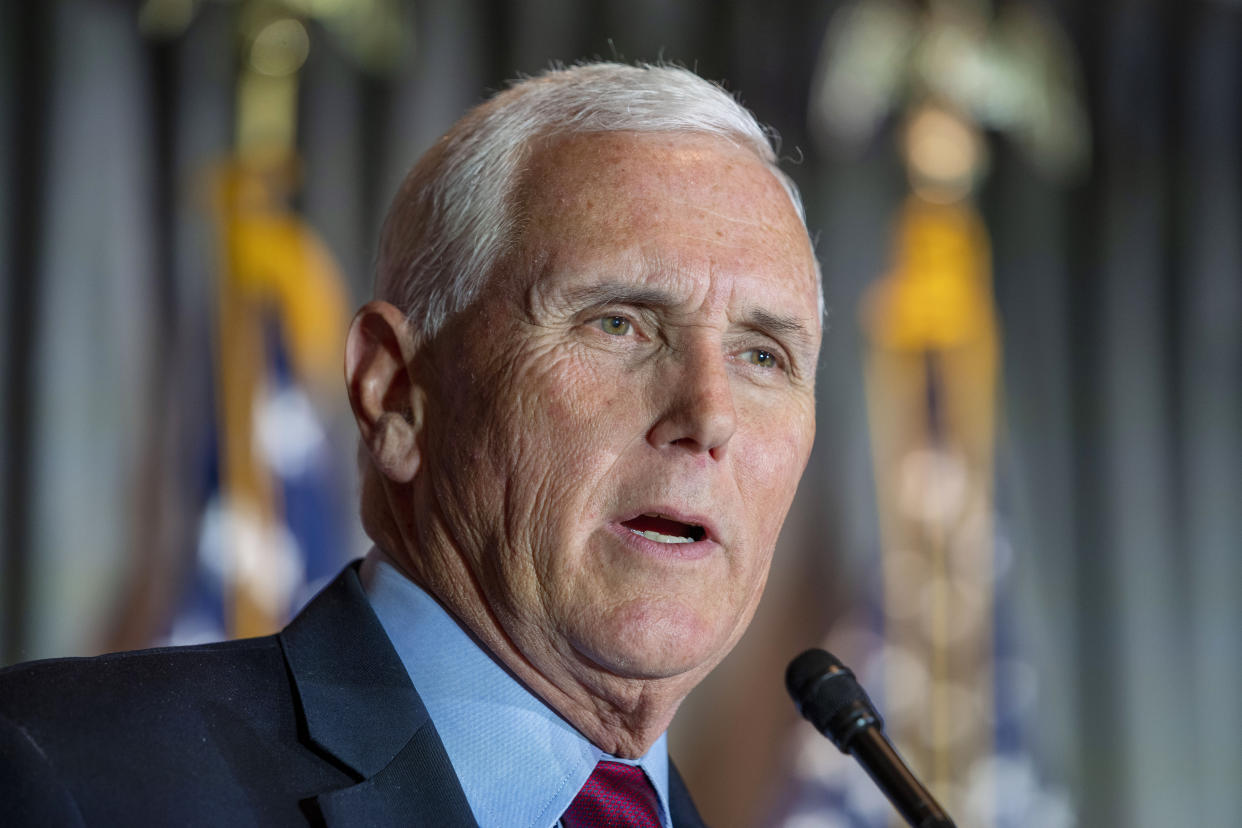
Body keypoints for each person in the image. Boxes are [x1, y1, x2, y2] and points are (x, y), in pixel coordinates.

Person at [0, 62, 823, 827]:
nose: (708, 414)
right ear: (394, 392)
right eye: (618, 323)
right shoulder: (61, 774)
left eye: (763, 355)